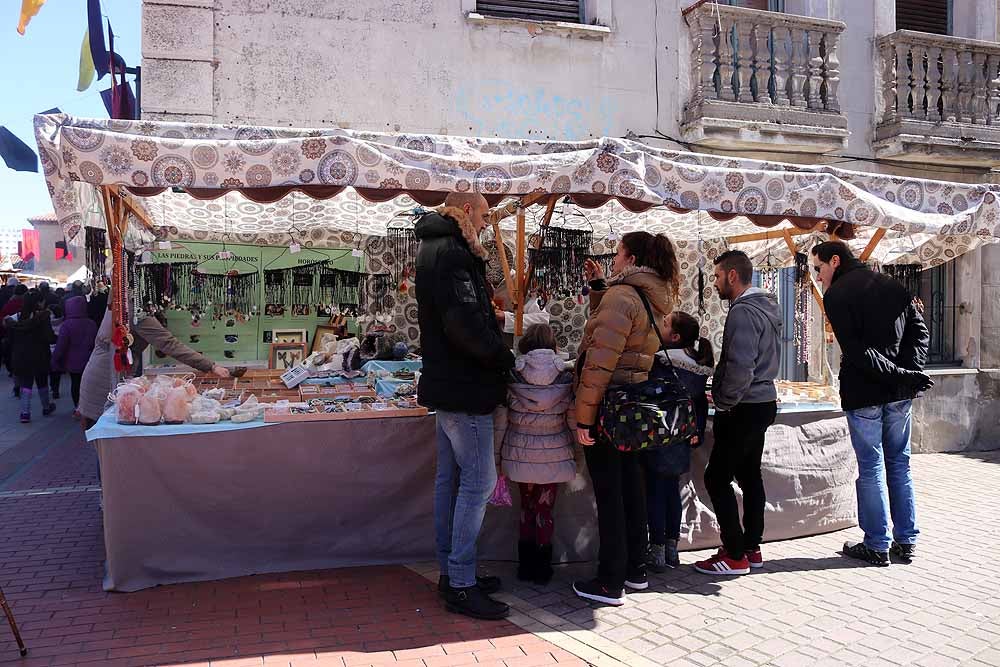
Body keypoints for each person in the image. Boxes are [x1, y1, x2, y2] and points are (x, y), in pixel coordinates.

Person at [414, 192, 515, 620]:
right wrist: (501, 355)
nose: (489, 223)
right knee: (476, 482)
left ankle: (454, 570)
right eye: (487, 215)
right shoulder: (454, 254)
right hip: (465, 384)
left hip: (447, 381)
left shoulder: (433, 248)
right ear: (468, 213)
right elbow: (464, 324)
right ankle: (460, 581)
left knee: (450, 481)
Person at [572, 231, 679, 606]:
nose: (614, 260)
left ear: (631, 258)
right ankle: (635, 570)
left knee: (611, 494)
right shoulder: (648, 295)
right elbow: (622, 338)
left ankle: (609, 580)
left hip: (609, 407)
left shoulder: (624, 296)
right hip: (632, 406)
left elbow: (600, 361)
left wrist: (583, 418)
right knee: (632, 487)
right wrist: (600, 286)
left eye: (617, 254)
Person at [811, 241, 932, 567]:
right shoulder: (892, 286)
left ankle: (880, 543)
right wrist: (906, 374)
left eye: (818, 268)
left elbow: (858, 352)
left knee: (875, 466)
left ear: (835, 261)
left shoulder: (837, 295)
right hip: (896, 392)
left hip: (868, 393)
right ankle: (904, 540)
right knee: (897, 464)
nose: (818, 277)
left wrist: (905, 374)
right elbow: (919, 335)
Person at [695, 250, 781, 576]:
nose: (715, 283)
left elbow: (741, 366)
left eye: (717, 276)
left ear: (732, 275)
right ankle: (750, 547)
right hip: (760, 402)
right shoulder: (765, 307)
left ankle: (734, 554)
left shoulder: (743, 312)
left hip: (744, 405)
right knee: (748, 475)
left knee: (716, 477)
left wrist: (724, 401)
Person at [494, 323, 576, 587]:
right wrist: (579, 449)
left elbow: (501, 420)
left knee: (526, 508)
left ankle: (525, 566)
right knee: (545, 510)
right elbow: (573, 418)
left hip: (519, 452)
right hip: (554, 453)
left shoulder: (512, 375)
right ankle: (543, 568)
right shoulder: (566, 376)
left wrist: (497, 457)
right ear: (553, 345)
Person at [78, 305, 230, 429]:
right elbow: (168, 343)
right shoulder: (136, 310)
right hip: (107, 377)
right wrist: (210, 366)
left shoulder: (123, 301)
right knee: (108, 442)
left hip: (105, 371)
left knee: (106, 443)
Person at [644, 311, 714, 572]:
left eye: (664, 324)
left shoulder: (662, 362)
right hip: (681, 436)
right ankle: (672, 548)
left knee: (655, 491)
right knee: (673, 490)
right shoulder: (696, 368)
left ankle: (657, 550)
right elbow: (699, 405)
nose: (659, 325)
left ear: (674, 336)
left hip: (659, 434)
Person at [5, 291, 56, 423]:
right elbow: (49, 337)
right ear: (38, 302)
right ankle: (46, 407)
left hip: (21, 355)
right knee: (42, 381)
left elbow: (10, 339)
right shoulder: (43, 317)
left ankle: (25, 413)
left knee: (25, 384)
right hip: (40, 354)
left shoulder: (15, 318)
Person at [51, 296, 97, 416]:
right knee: (87, 384)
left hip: (73, 361)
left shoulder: (67, 325)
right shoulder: (91, 323)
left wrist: (55, 360)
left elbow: (61, 345)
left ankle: (78, 407)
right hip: (89, 359)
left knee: (75, 384)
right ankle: (88, 407)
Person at [1, 284, 28, 396]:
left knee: (15, 361)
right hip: (26, 335)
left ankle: (17, 386)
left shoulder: (9, 304)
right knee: (25, 362)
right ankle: (25, 388)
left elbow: (2, 318)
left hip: (12, 336)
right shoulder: (27, 304)